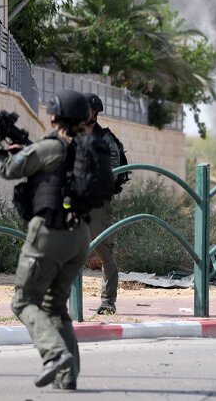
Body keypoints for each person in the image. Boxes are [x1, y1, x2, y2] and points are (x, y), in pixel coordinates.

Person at [0, 90, 93, 389]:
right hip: (79, 235)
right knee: (55, 306)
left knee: (24, 300)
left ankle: (54, 355)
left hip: (50, 234)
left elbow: (7, 168)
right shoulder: (86, 149)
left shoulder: (49, 147)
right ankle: (68, 379)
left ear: (55, 116)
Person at [84, 93, 129, 315]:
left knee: (105, 255)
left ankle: (108, 301)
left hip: (97, 205)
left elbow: (111, 172)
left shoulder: (105, 139)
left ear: (95, 113)